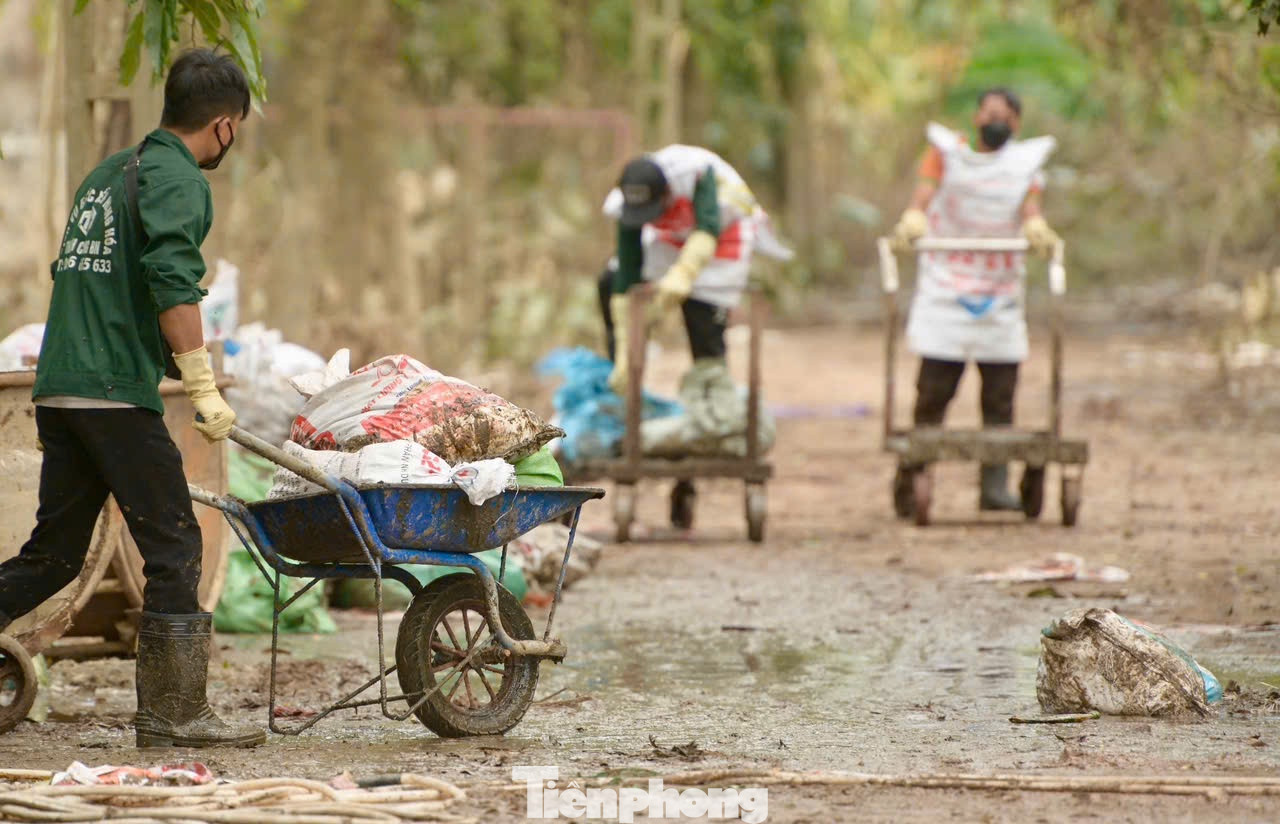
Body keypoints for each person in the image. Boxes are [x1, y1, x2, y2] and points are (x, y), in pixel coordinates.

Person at [0, 49, 264, 748]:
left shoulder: (105, 175)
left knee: (54, 554)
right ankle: (175, 714)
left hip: (61, 389)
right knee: (176, 544)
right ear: (225, 126)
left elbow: (90, 277)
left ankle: (171, 710)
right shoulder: (178, 178)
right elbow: (173, 281)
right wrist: (200, 382)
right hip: (114, 392)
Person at [888, 87, 1061, 517]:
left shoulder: (1024, 166)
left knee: (1001, 394)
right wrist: (914, 217)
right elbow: (924, 195)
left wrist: (1037, 227)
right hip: (947, 285)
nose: (995, 121)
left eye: (1004, 116)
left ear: (1016, 124)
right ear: (976, 117)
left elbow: (1030, 207)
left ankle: (995, 486)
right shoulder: (945, 155)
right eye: (989, 113)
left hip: (999, 289)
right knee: (933, 392)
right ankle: (911, 477)